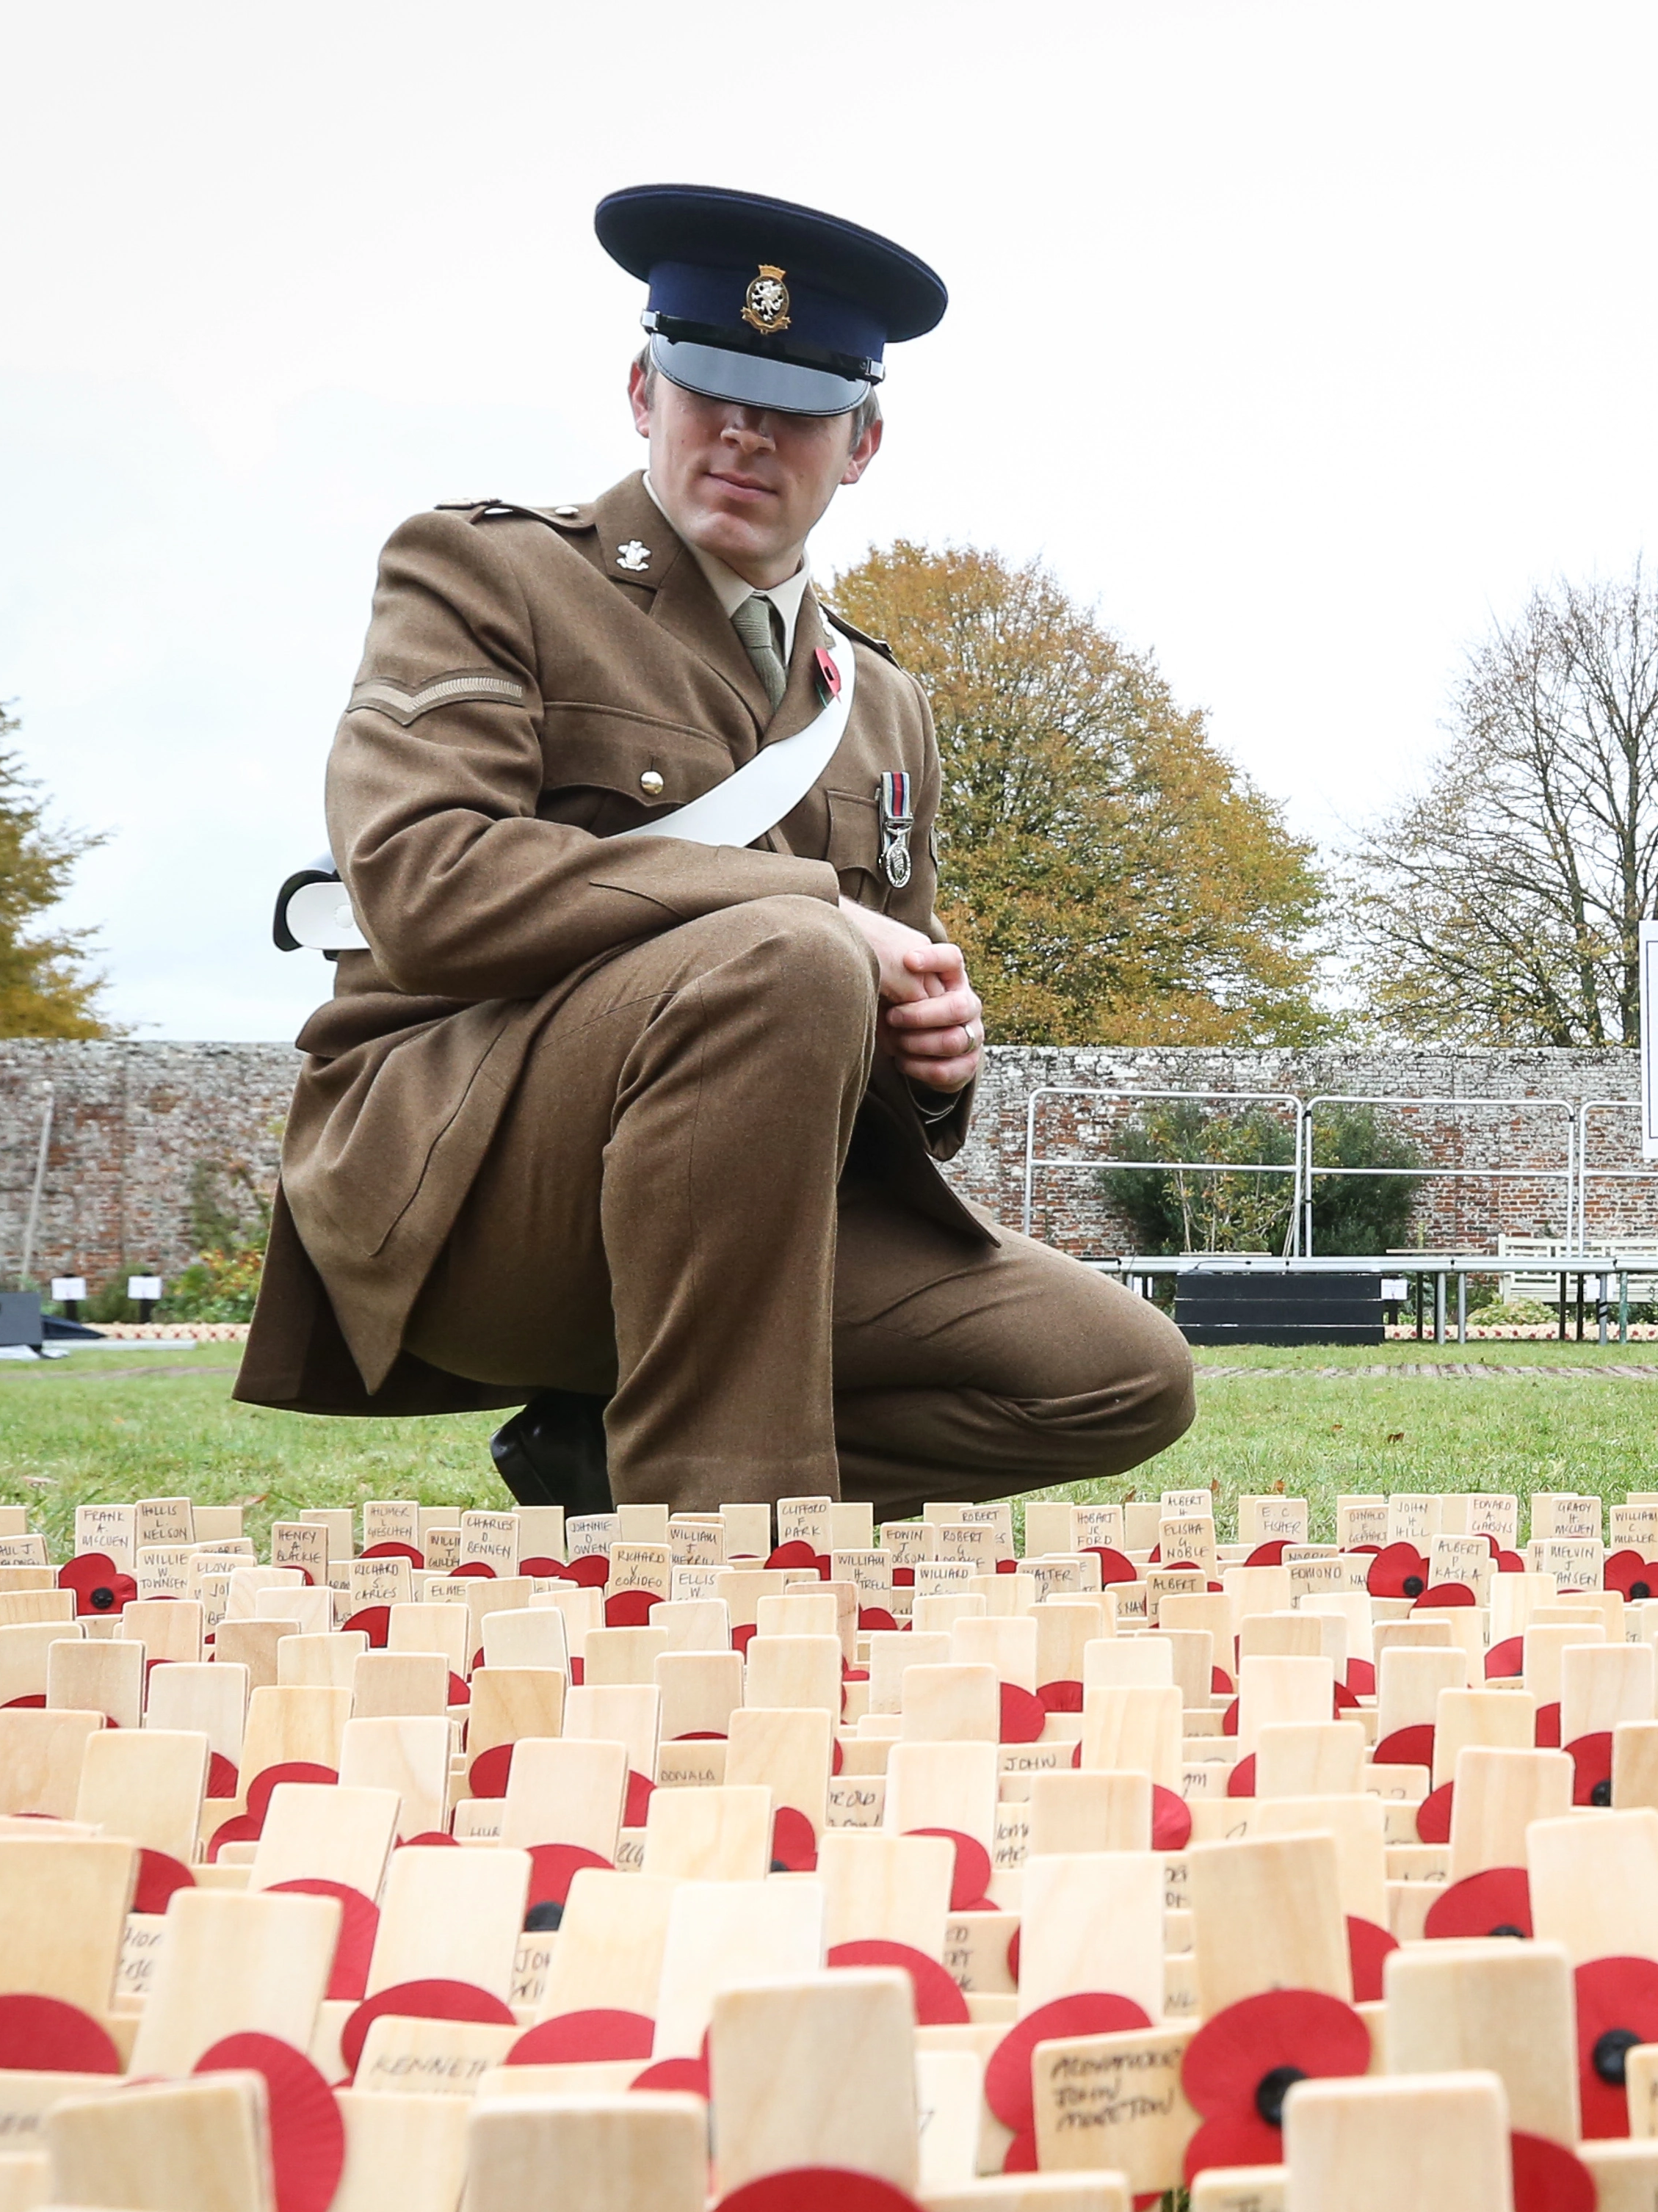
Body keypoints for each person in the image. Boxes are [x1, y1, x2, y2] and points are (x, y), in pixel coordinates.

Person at [236, 184, 1195, 1518]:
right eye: (708, 387)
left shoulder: (883, 704)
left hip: (742, 1226)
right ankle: (721, 1565)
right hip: (472, 1181)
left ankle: (608, 1463)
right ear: (644, 391)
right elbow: (423, 889)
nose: (744, 431)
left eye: (794, 403)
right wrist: (811, 912)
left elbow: (847, 1024)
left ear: (861, 443)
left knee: (1114, 1374)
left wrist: (931, 1065)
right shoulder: (485, 573)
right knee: (793, 952)